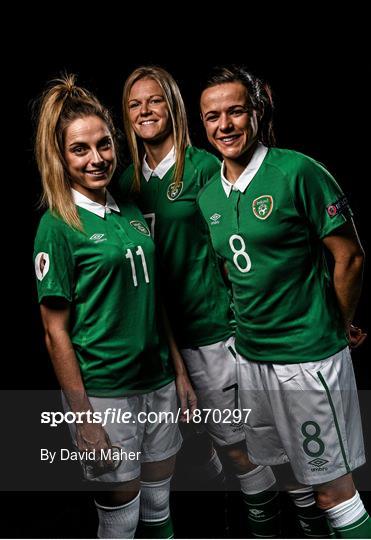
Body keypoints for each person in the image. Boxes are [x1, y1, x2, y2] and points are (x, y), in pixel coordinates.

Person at [198, 65, 370, 538]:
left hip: (306, 357)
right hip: (252, 357)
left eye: (236, 111)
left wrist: (337, 323)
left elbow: (350, 257)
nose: (225, 125)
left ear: (257, 112)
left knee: (332, 488)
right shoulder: (210, 193)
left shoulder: (297, 170)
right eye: (213, 116)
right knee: (290, 473)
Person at [118, 65, 283, 538]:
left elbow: (245, 247)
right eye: (135, 104)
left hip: (211, 332)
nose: (145, 111)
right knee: (186, 452)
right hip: (154, 343)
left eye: (155, 101)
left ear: (173, 107)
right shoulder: (124, 179)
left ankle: (267, 528)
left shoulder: (205, 165)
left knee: (237, 448)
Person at [33, 73, 184, 539]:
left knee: (160, 506)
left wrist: (179, 372)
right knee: (122, 520)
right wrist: (85, 422)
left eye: (103, 145)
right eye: (80, 149)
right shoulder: (57, 227)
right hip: (105, 393)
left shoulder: (131, 210)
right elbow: (55, 332)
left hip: (157, 381)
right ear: (60, 157)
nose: (96, 159)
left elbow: (155, 298)